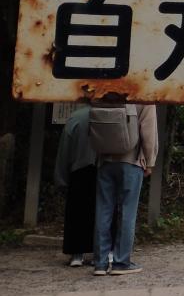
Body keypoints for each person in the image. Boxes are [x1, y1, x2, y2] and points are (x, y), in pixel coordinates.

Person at [94, 103, 157, 276]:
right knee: (127, 212)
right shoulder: (144, 97)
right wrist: (149, 161)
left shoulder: (108, 93)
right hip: (131, 160)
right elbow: (148, 131)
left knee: (103, 211)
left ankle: (100, 263)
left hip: (105, 160)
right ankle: (121, 262)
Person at [53, 105, 96, 267]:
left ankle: (76, 254)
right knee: (101, 212)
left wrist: (61, 178)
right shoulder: (109, 113)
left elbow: (65, 149)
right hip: (103, 169)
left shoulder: (76, 117)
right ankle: (99, 253)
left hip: (78, 169)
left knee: (76, 212)